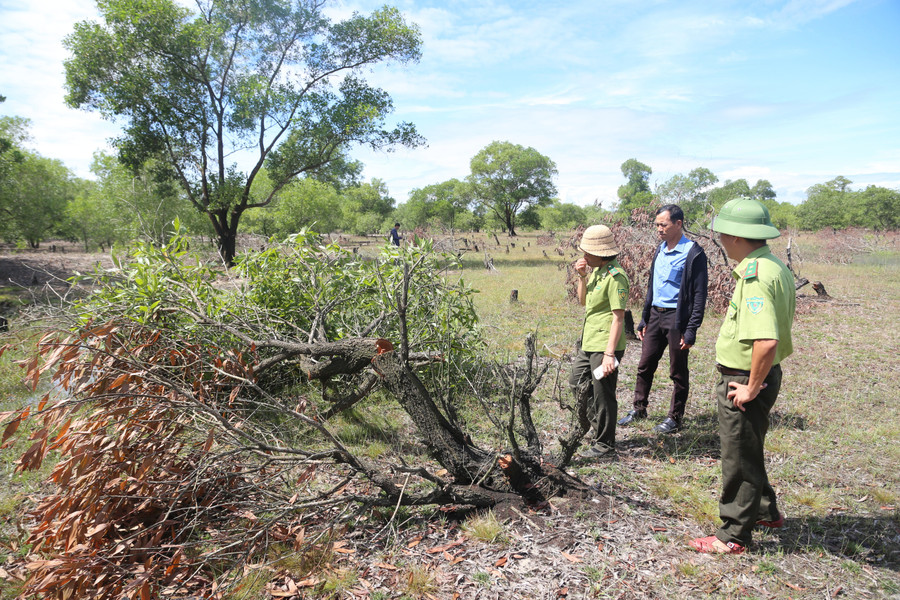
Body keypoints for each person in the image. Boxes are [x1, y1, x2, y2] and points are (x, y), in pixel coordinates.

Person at [689, 197, 795, 554]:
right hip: (757, 374)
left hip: (746, 376)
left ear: (735, 236)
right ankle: (765, 511)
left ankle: (733, 535)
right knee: (749, 448)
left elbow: (766, 341)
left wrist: (750, 387)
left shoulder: (756, 275)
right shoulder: (774, 265)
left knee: (738, 456)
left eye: (721, 234)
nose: (720, 240)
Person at [619, 205, 708, 434]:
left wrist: (691, 330)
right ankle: (639, 409)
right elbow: (652, 287)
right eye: (657, 224)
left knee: (677, 371)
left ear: (678, 224)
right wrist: (644, 318)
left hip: (677, 319)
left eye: (663, 225)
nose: (659, 229)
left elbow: (699, 296)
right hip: (656, 316)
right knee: (644, 365)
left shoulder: (693, 253)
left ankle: (675, 418)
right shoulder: (660, 249)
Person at [569, 225, 629, 460]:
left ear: (602, 253)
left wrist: (609, 354)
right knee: (577, 381)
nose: (584, 255)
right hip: (589, 341)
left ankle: (605, 444)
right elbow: (583, 301)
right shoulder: (596, 271)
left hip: (605, 344)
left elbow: (618, 317)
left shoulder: (616, 276)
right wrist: (582, 277)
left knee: (603, 394)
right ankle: (598, 430)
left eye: (588, 252)